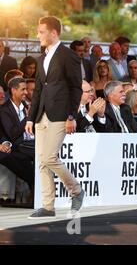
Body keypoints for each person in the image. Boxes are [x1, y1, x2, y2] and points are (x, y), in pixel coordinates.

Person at [25, 16, 85, 218]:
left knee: (50, 157)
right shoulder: (41, 58)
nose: (38, 35)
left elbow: (76, 88)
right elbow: (38, 91)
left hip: (61, 114)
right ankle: (48, 207)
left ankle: (76, 190)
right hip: (41, 114)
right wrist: (30, 118)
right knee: (42, 161)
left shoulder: (69, 56)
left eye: (41, 31)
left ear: (53, 32)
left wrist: (71, 115)